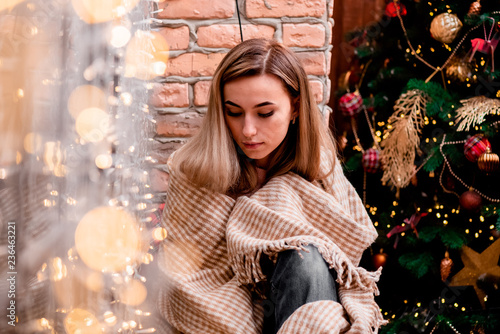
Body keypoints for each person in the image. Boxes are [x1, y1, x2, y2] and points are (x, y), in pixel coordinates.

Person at [157, 38, 386, 334]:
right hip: (224, 314)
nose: (248, 130)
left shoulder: (319, 165)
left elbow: (342, 259)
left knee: (307, 258)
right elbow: (187, 278)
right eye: (234, 112)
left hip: (305, 304)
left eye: (264, 113)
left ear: (295, 108)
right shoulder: (194, 170)